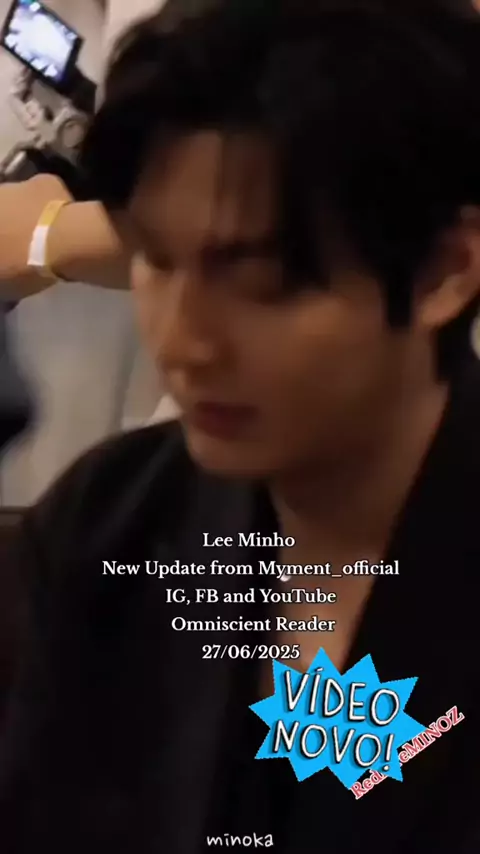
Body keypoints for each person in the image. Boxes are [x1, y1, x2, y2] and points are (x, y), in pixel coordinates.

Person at [1, 0, 480, 851]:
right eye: (155, 259)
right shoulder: (108, 529)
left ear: (444, 270)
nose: (184, 343)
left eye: (259, 282)